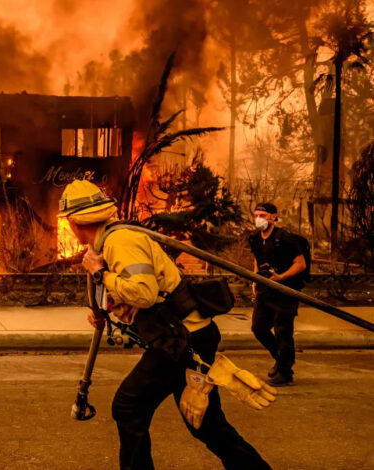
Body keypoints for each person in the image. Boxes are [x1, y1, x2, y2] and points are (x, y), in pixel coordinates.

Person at [59, 180, 274, 470]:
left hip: (182, 340)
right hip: (184, 336)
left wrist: (99, 274)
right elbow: (132, 290)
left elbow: (144, 293)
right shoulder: (106, 243)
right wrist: (105, 309)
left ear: (73, 222)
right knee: (204, 424)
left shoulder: (120, 242)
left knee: (128, 407)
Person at [248, 202, 307, 386]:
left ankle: (285, 372)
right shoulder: (255, 238)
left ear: (273, 217)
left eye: (263, 216)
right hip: (265, 289)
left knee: (283, 331)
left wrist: (281, 277)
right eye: (256, 215)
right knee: (259, 328)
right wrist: (255, 279)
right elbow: (257, 260)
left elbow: (300, 264)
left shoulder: (285, 238)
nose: (258, 219)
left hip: (286, 291)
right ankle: (281, 360)